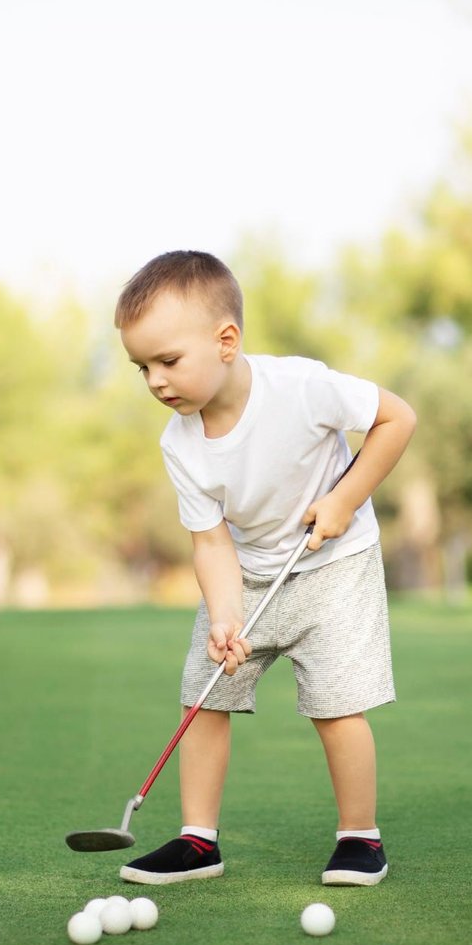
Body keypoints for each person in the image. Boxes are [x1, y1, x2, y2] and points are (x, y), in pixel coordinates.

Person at [114, 249, 417, 887]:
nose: (155, 381)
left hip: (335, 562)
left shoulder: (302, 387)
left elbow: (397, 418)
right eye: (142, 367)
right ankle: (199, 841)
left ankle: (360, 838)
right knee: (203, 694)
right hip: (248, 571)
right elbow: (210, 542)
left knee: (335, 702)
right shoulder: (180, 443)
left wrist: (344, 498)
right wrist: (224, 614)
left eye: (168, 361)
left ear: (226, 341)